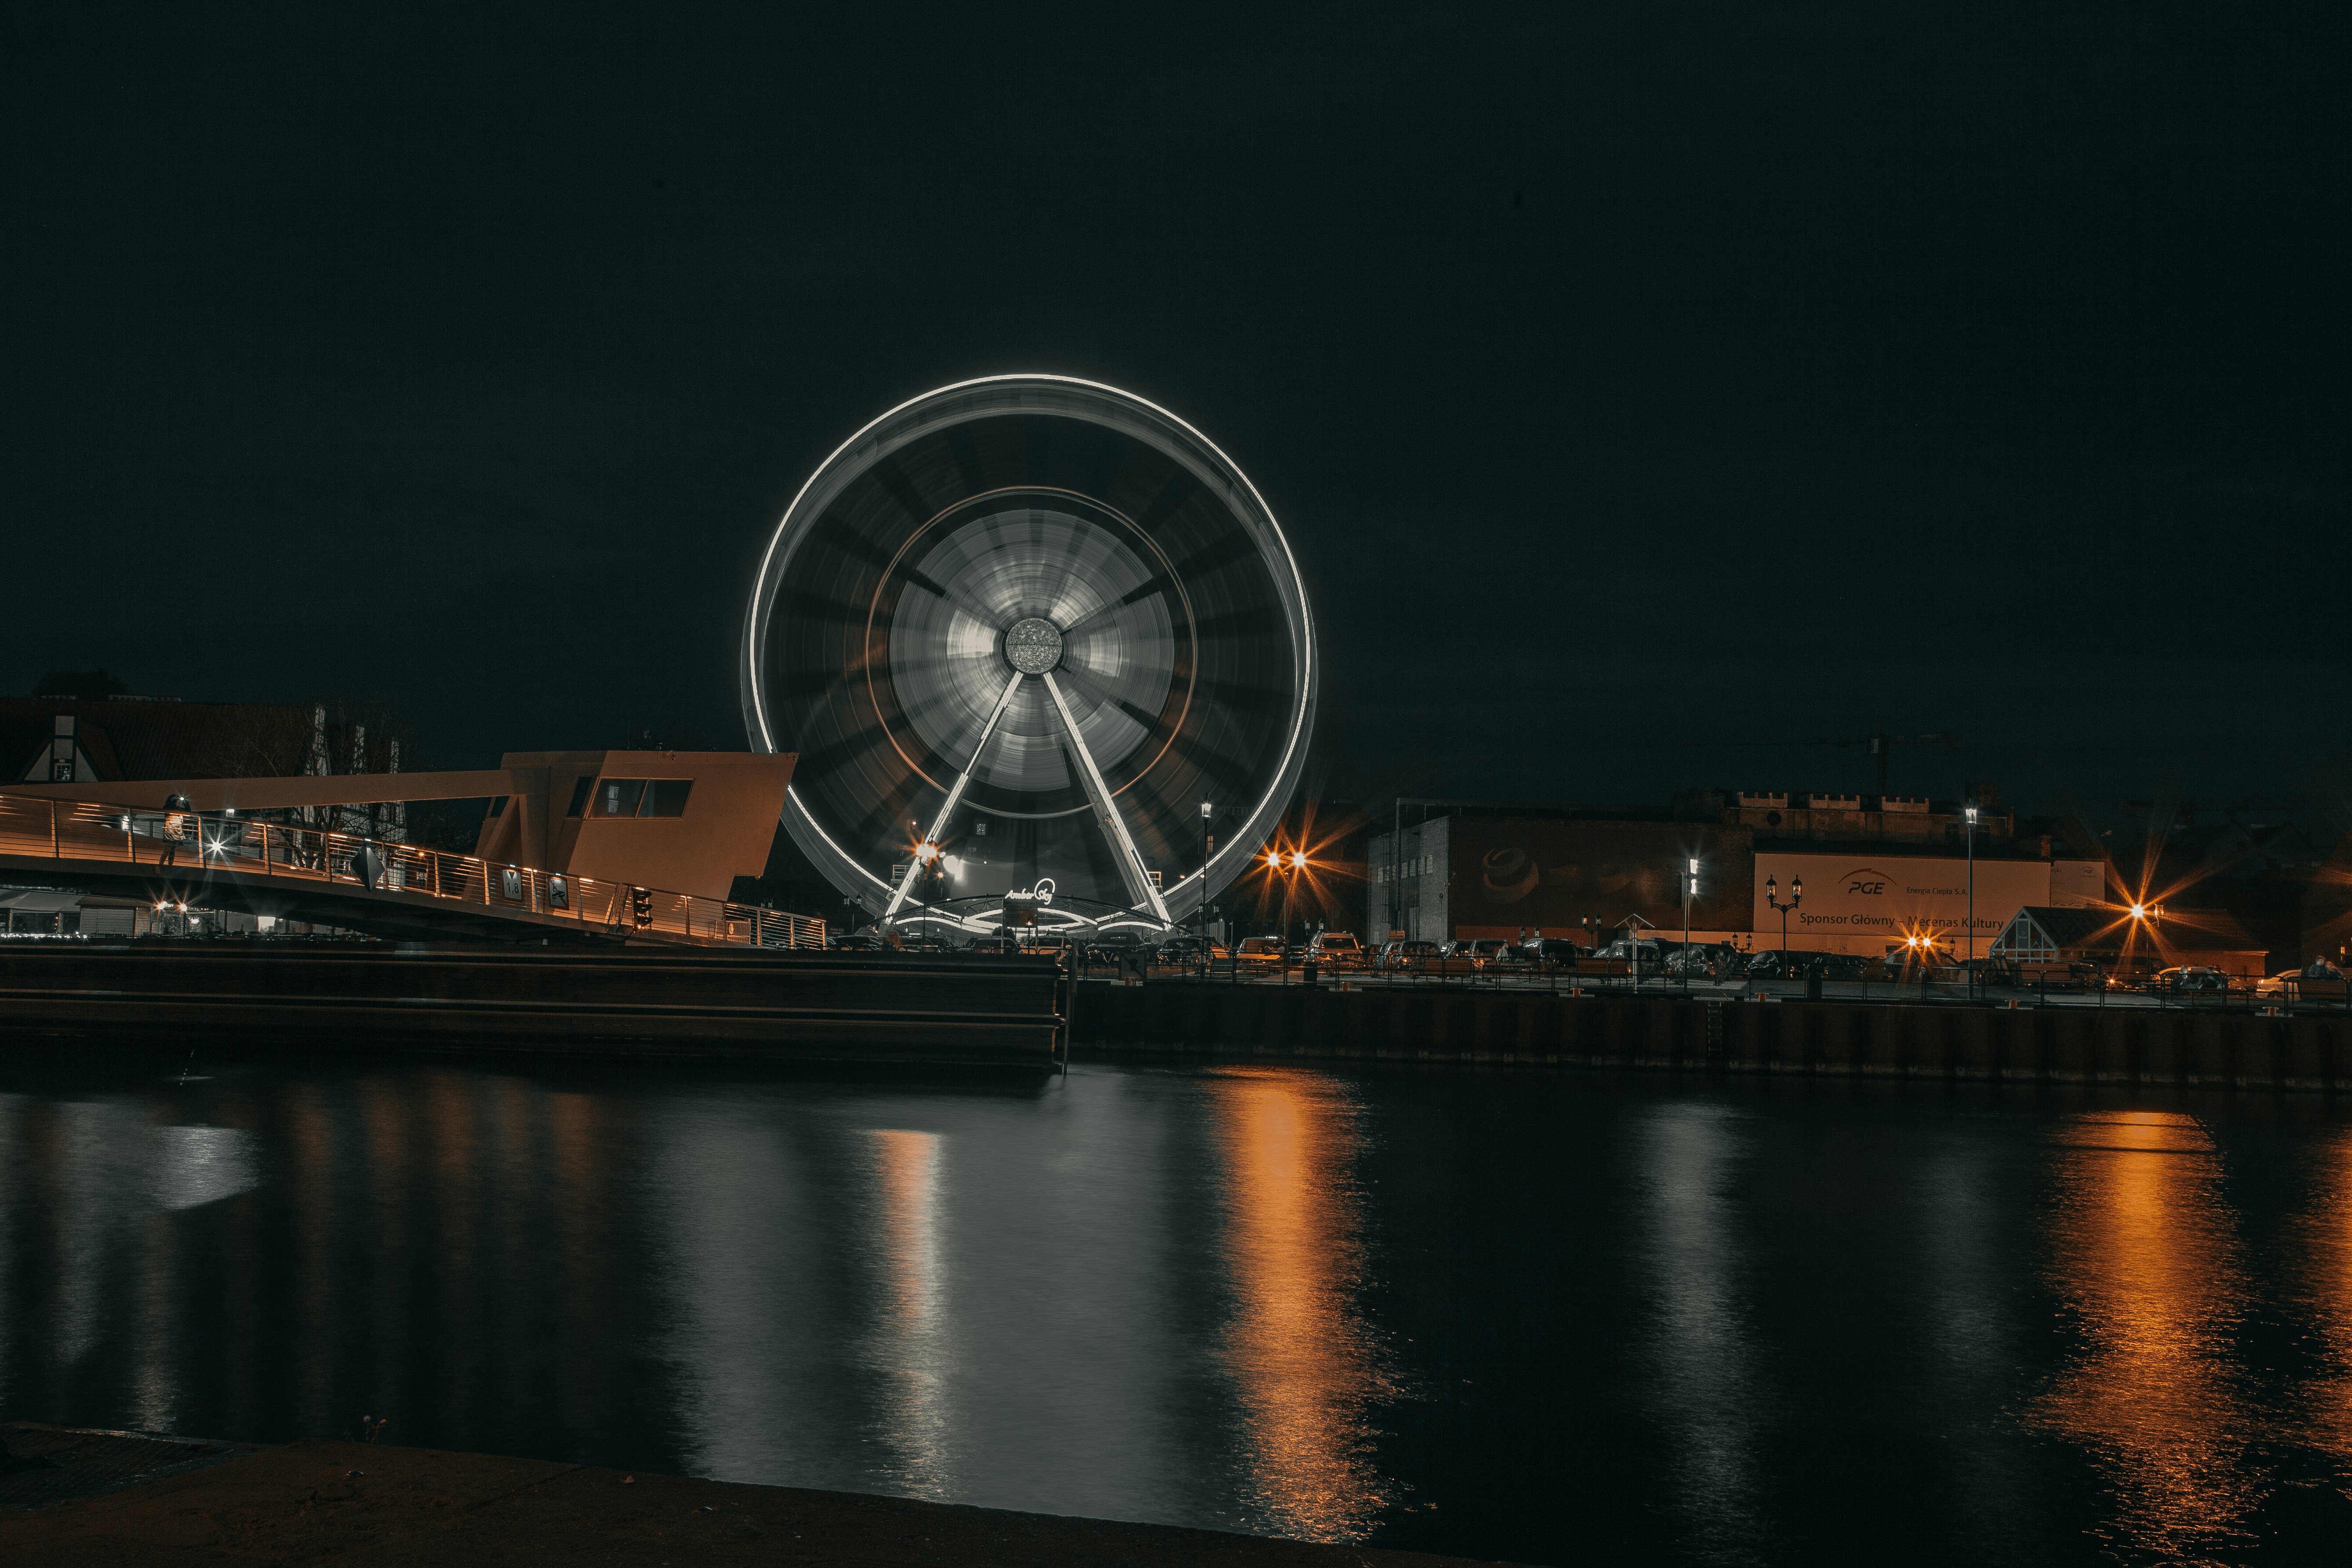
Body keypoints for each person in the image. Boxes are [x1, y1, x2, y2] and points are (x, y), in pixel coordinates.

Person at [159, 793, 192, 869]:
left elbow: (188, 812)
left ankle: (170, 866)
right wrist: (173, 800)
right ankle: (161, 865)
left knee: (173, 850)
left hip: (178, 831)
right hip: (169, 831)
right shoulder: (167, 807)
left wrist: (185, 802)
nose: (176, 801)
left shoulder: (179, 809)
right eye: (174, 800)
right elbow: (168, 809)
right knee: (167, 849)